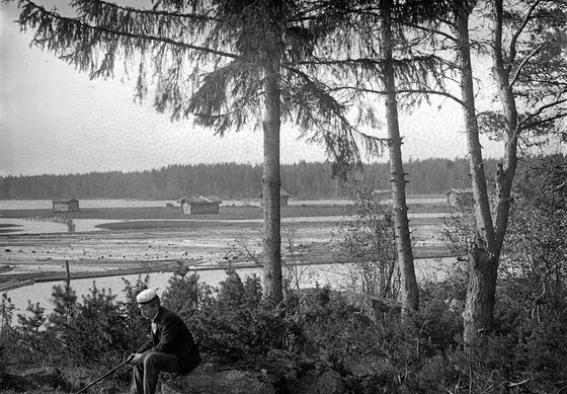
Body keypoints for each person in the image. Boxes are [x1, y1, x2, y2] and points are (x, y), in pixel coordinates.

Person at [129, 288, 200, 394]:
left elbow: (164, 346)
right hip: (174, 357)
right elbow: (153, 342)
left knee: (150, 358)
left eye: (144, 309)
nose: (141, 313)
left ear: (155, 306)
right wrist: (138, 354)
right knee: (140, 360)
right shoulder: (157, 318)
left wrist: (142, 356)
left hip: (184, 360)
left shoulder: (168, 319)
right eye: (141, 309)